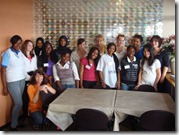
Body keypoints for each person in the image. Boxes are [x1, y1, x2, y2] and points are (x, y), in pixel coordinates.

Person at [1, 35, 25, 130]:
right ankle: (13, 125)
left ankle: (15, 122)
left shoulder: (20, 52)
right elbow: (3, 71)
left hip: (21, 80)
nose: (19, 45)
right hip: (12, 81)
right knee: (19, 103)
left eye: (20, 43)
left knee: (17, 103)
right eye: (17, 43)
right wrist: (4, 87)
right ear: (12, 43)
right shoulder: (7, 54)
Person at [21, 40, 37, 123]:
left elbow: (35, 67)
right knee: (25, 98)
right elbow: (21, 69)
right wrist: (29, 77)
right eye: (29, 45)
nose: (31, 47)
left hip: (33, 77)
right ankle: (25, 116)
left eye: (32, 45)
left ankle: (32, 115)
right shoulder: (21, 56)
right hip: (25, 78)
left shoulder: (34, 56)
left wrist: (34, 77)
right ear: (25, 46)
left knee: (33, 97)